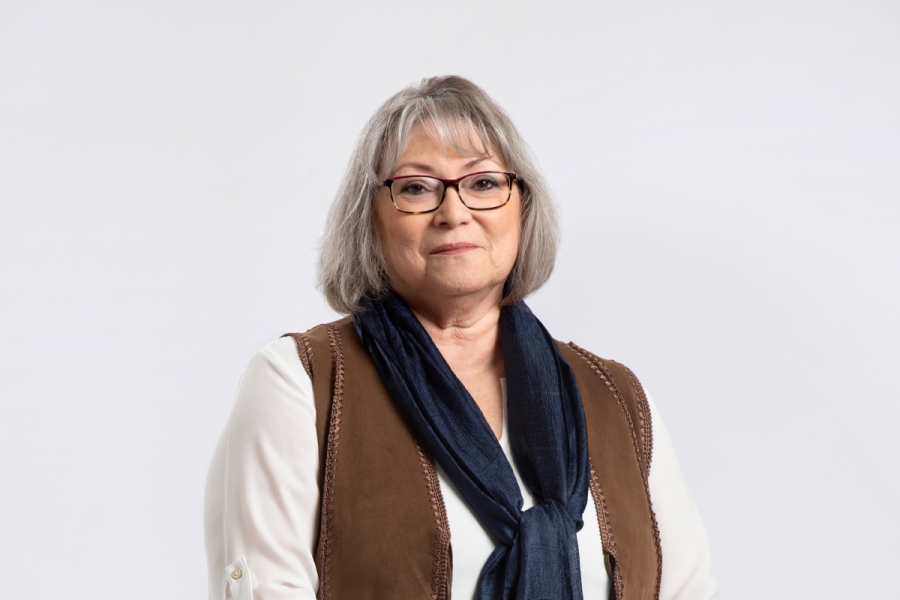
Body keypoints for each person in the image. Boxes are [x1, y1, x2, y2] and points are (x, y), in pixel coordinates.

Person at [204, 75, 720, 600]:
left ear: (522, 205)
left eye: (483, 183)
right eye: (415, 188)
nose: (454, 213)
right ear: (370, 221)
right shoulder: (300, 384)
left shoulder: (618, 399)